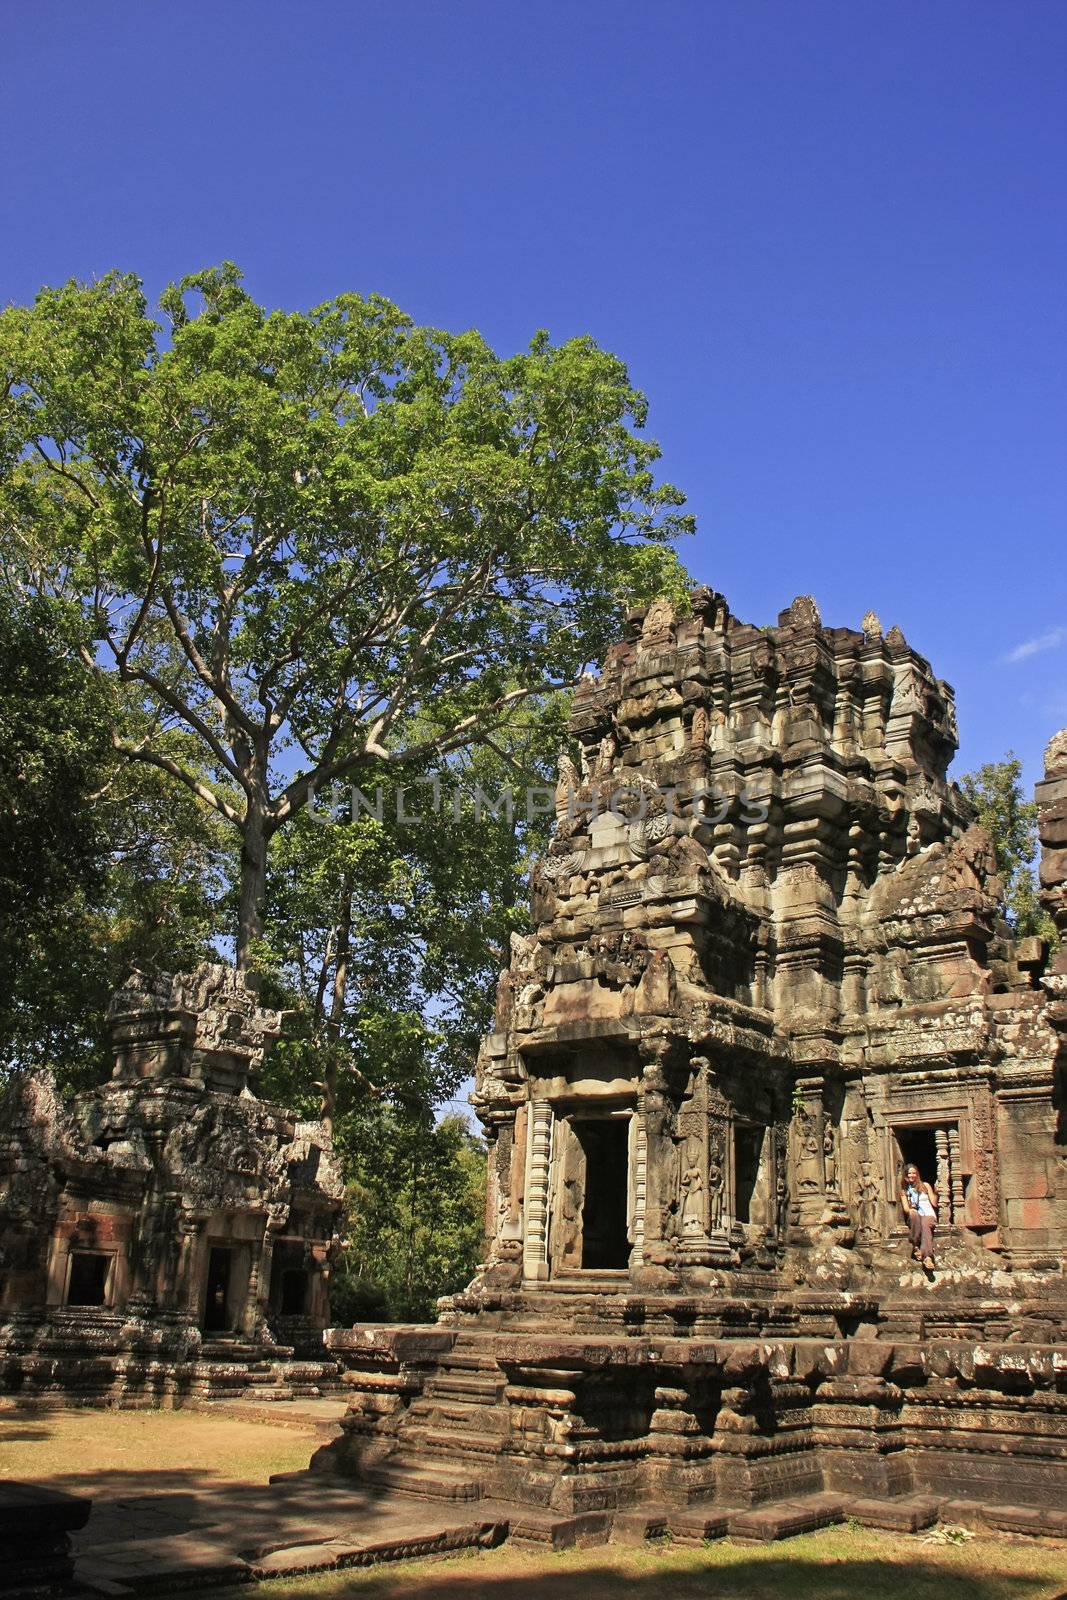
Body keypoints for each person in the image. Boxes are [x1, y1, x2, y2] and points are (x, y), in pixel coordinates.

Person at [900, 1162, 938, 1269]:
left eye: (913, 1173)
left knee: (925, 1225)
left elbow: (934, 1203)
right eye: (909, 1174)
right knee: (913, 1214)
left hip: (928, 1214)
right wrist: (912, 1210)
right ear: (905, 1176)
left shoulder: (925, 1186)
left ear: (917, 1174)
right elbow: (906, 1208)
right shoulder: (904, 1191)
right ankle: (916, 1245)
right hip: (916, 1216)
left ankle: (927, 1257)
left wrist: (936, 1192)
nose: (911, 1175)